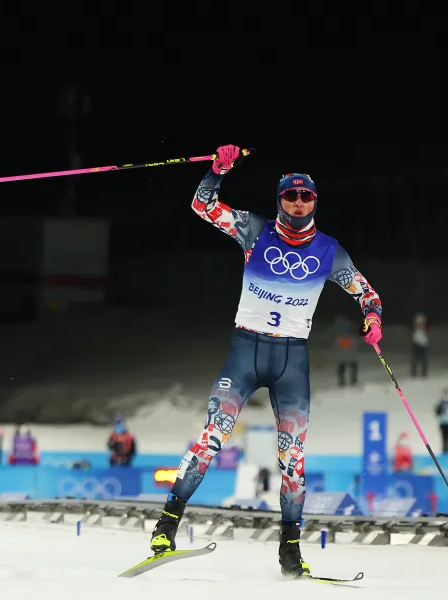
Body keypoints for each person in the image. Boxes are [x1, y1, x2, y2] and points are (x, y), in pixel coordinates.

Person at [150, 145, 384, 579]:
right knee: (212, 437)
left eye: (306, 196)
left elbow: (367, 294)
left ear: (315, 201)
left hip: (291, 360)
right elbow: (202, 206)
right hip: (246, 351)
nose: (298, 202)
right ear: (279, 199)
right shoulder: (254, 230)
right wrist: (218, 169)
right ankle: (166, 527)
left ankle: (290, 551)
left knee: (293, 461)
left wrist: (372, 316)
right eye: (290, 195)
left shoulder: (331, 251)